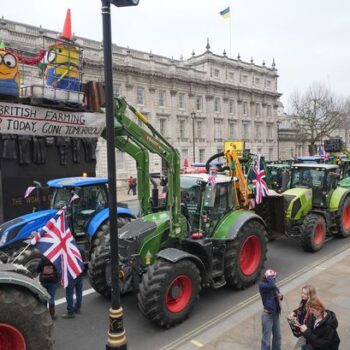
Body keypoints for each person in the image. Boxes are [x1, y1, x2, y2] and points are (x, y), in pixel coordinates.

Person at [259, 269, 283, 350]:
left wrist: (280, 295)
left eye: (274, 277)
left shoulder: (272, 284)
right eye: (272, 277)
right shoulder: (262, 285)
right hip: (267, 315)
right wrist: (270, 276)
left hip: (275, 314)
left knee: (278, 337)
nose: (274, 279)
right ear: (267, 277)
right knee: (266, 340)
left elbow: (278, 292)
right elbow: (271, 286)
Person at [288, 284, 317, 349]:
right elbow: (300, 310)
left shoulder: (312, 307)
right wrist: (294, 312)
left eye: (305, 294)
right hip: (303, 333)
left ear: (310, 295)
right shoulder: (304, 301)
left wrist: (299, 324)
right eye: (302, 293)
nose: (302, 295)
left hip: (308, 337)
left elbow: (312, 323)